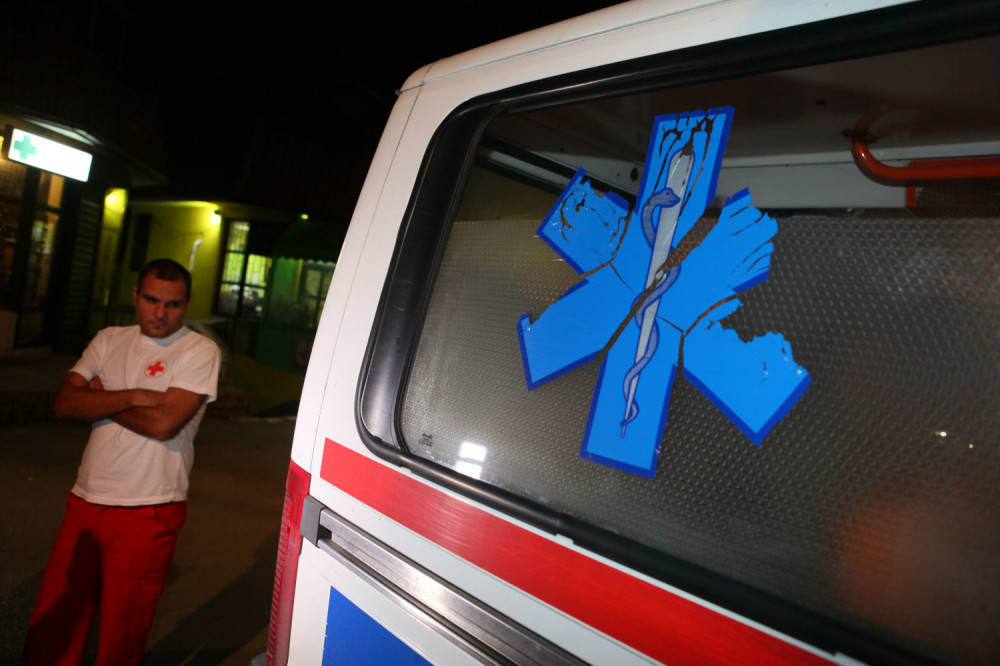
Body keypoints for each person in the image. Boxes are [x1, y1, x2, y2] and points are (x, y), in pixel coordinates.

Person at [21, 258, 221, 666]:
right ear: (135, 294)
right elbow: (64, 403)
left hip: (149, 507)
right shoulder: (109, 338)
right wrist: (133, 396)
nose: (160, 314)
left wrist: (101, 397)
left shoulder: (199, 350)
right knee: (55, 622)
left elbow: (165, 423)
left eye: (173, 304)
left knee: (121, 633)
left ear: (187, 304)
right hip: (85, 500)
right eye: (151, 300)